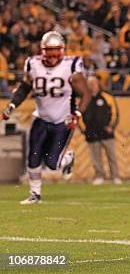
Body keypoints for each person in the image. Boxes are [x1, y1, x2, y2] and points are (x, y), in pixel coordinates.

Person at [1, 31, 91, 204]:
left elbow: (86, 94)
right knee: (33, 156)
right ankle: (35, 194)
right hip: (41, 118)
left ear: (62, 50)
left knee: (52, 163)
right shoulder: (33, 64)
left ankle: (67, 158)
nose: (52, 55)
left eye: (56, 50)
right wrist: (11, 106)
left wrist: (77, 114)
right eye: (49, 50)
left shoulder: (71, 65)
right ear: (42, 50)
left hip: (63, 120)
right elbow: (24, 87)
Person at [81, 75, 121, 185]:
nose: (92, 86)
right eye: (90, 84)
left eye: (94, 83)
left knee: (112, 156)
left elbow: (115, 113)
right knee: (96, 158)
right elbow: (79, 115)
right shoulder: (84, 99)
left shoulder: (107, 97)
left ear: (98, 84)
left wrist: (111, 127)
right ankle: (99, 176)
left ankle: (115, 177)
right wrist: (84, 130)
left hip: (107, 133)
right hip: (91, 133)